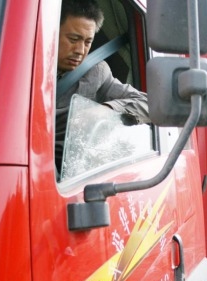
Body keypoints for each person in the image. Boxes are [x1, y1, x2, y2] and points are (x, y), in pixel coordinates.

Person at [55, 0, 149, 170]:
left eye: (87, 42)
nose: (80, 50)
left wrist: (106, 110)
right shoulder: (21, 68)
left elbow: (149, 103)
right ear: (53, 32)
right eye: (73, 39)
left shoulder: (95, 72)